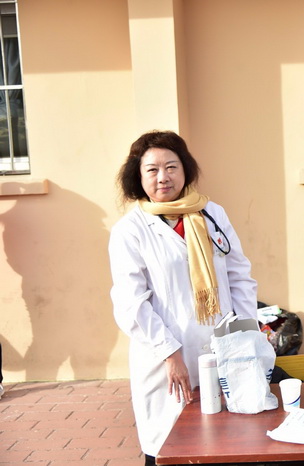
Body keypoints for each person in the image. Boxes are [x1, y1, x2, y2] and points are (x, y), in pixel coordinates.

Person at [109, 130, 257, 465]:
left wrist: (245, 335)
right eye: (152, 169)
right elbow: (131, 302)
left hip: (222, 345)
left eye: (171, 166)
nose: (163, 177)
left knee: (224, 442)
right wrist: (170, 354)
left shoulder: (212, 213)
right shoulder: (130, 230)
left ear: (185, 169)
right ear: (138, 176)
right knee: (171, 446)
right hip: (166, 354)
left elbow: (239, 276)